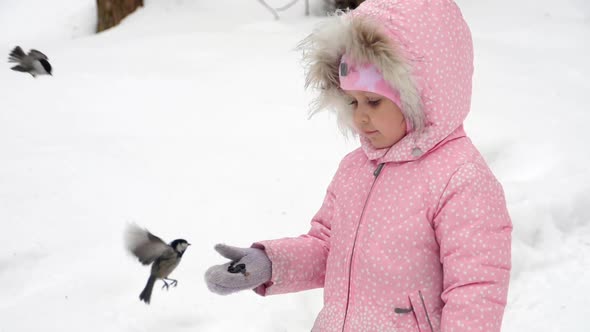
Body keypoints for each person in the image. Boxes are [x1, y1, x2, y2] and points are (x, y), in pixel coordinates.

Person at [205, 0, 513, 331]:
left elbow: (476, 290)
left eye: (374, 101)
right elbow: (326, 247)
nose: (360, 116)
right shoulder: (356, 169)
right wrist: (269, 264)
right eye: (352, 101)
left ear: (422, 94)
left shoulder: (460, 178)